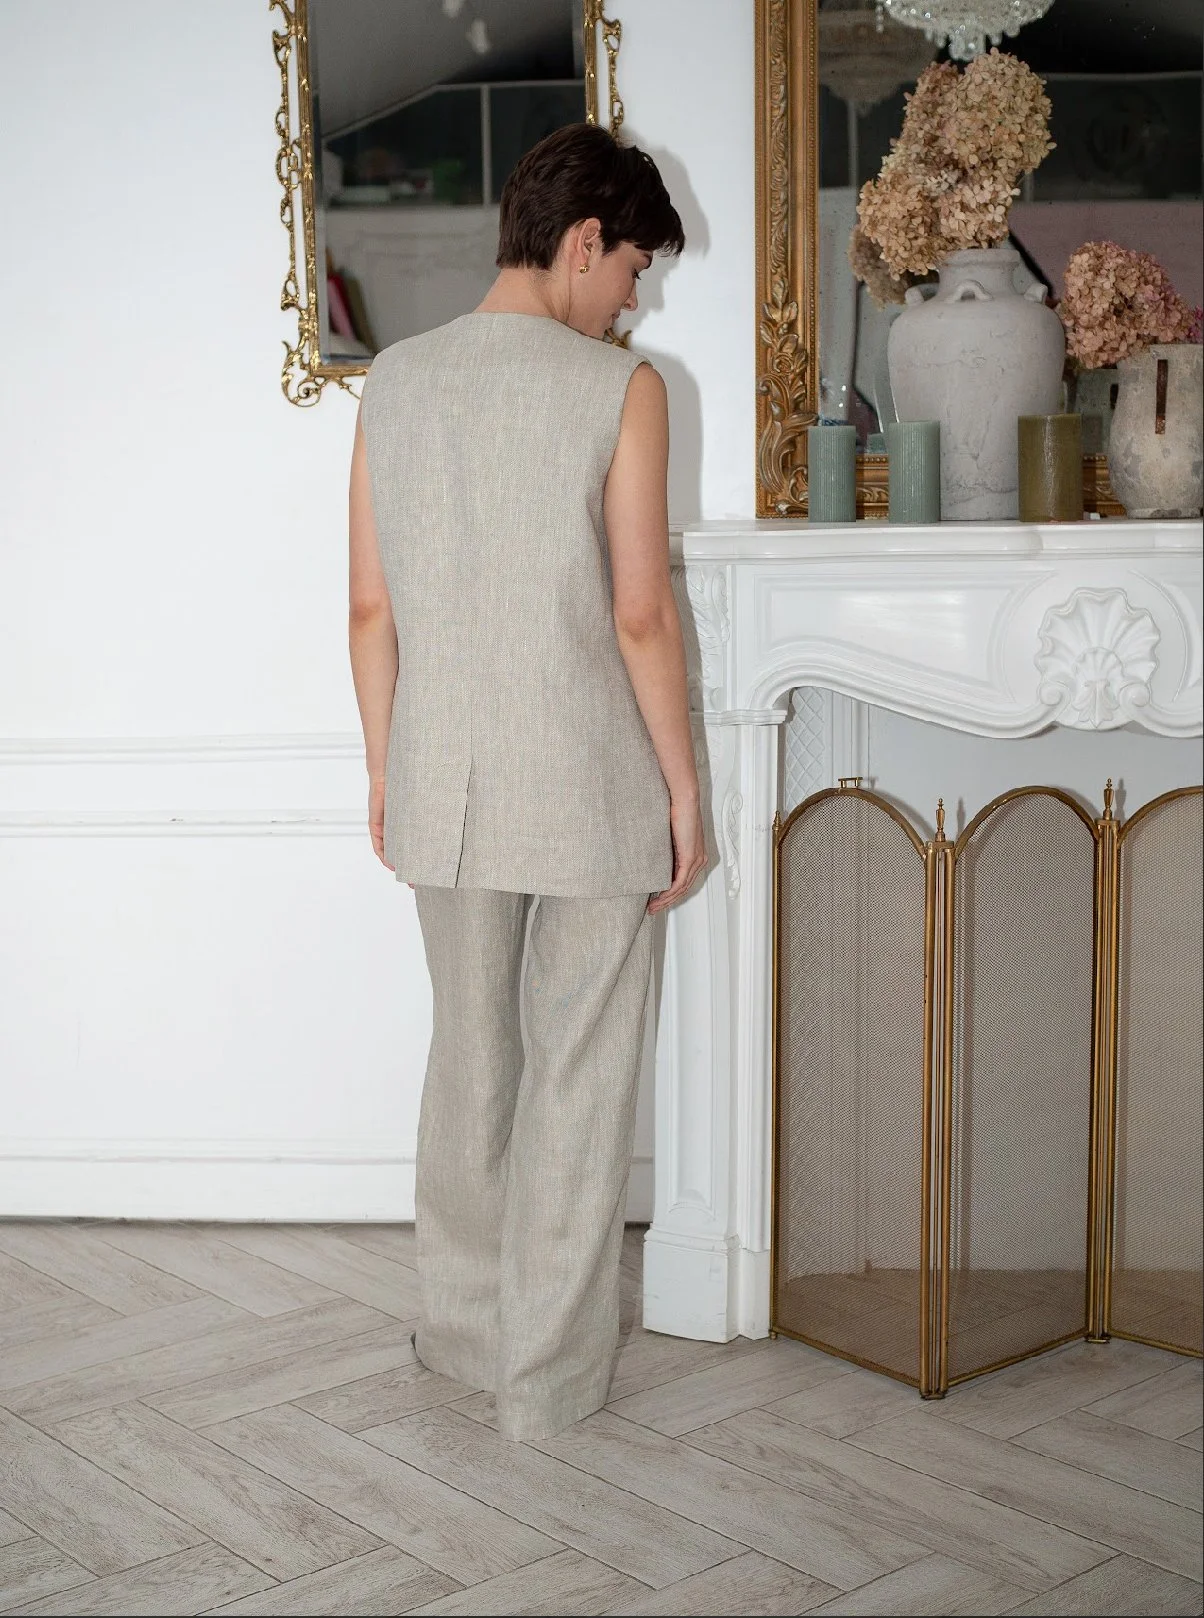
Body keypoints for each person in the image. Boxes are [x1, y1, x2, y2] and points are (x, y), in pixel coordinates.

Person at [347, 122, 705, 1441]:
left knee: (471, 1065)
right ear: (584, 239)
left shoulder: (395, 380)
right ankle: (546, 1382)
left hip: (442, 780)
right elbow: (641, 616)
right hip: (593, 783)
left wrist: (385, 767)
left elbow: (370, 609)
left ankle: (461, 1341)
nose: (632, 303)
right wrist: (685, 791)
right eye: (634, 271)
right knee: (579, 1076)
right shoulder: (623, 389)